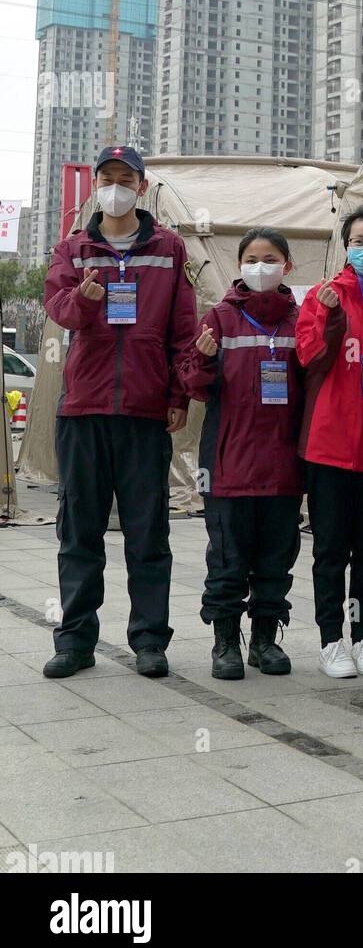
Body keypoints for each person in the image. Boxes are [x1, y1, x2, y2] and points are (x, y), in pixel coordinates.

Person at [41, 146, 196, 679]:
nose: (115, 187)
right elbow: (58, 311)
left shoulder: (170, 250)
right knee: (79, 531)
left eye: (124, 178)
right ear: (95, 187)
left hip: (145, 410)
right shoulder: (73, 248)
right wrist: (84, 299)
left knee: (147, 533)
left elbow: (182, 330)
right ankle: (75, 641)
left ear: (142, 186)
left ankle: (150, 640)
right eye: (106, 178)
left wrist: (178, 396)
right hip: (83, 410)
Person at [179, 229, 304, 681]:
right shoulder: (220, 319)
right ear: (239, 266)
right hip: (228, 464)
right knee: (228, 557)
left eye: (270, 258)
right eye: (251, 258)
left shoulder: (300, 321)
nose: (261, 266)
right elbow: (194, 386)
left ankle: (266, 640)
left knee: (276, 557)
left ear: (287, 266)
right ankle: (226, 641)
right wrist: (205, 359)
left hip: (284, 465)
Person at [296, 203, 363, 678]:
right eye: (358, 242)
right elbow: (310, 357)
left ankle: (362, 637)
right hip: (329, 445)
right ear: (346, 246)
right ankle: (330, 640)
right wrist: (334, 318)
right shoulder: (324, 296)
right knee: (330, 550)